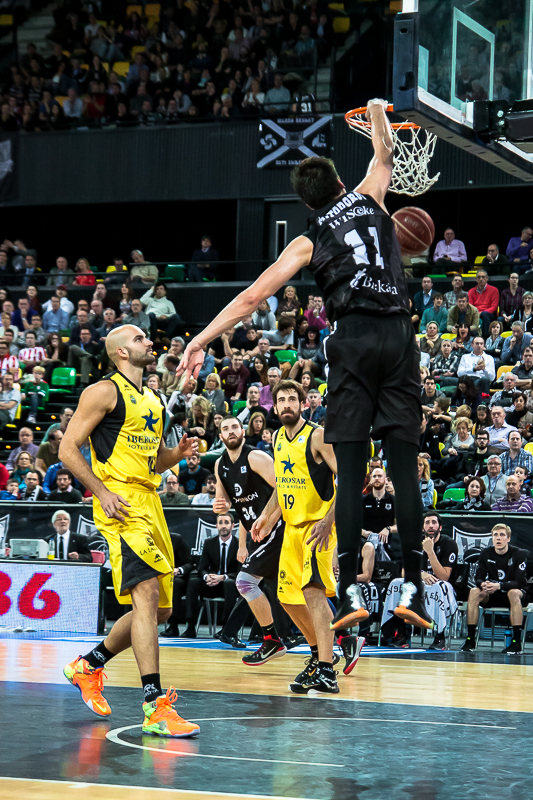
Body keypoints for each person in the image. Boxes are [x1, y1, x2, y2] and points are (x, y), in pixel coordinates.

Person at [179, 99, 433, 635]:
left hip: (353, 340)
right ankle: (413, 587)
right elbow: (384, 153)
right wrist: (379, 114)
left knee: (352, 461)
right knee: (405, 466)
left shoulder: (307, 238)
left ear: (304, 201)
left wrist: (201, 339)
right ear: (341, 181)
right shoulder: (370, 196)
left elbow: (251, 298)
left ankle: (350, 593)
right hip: (399, 334)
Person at [59, 323, 200, 737]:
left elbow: (154, 463)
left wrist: (176, 454)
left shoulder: (154, 399)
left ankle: (88, 666)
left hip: (150, 502)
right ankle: (154, 707)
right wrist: (100, 491)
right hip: (119, 502)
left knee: (158, 612)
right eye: (139, 339)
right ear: (121, 352)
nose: (148, 343)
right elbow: (68, 448)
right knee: (146, 595)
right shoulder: (103, 392)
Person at [251, 380, 342, 693]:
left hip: (318, 527)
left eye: (293, 399)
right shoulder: (276, 437)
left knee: (314, 593)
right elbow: (283, 487)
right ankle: (318, 657)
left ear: (304, 403)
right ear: (274, 407)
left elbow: (349, 480)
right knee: (288, 600)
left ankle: (328, 669)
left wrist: (330, 520)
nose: (287, 404)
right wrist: (266, 516)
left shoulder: (317, 436)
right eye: (282, 400)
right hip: (291, 529)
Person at [211, 415, 294, 662]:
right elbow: (225, 503)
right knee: (292, 593)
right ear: (221, 436)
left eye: (235, 426)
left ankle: (271, 640)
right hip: (257, 534)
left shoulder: (256, 457)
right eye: (226, 428)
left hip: (277, 528)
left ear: (243, 431)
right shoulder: (219, 465)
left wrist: (269, 518)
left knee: (245, 582)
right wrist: (219, 506)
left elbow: (286, 486)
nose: (231, 431)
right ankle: (340, 639)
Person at [381, 512, 458, 650]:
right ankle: (401, 634)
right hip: (419, 582)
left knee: (437, 587)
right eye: (427, 522)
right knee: (396, 584)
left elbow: (444, 576)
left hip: (443, 586)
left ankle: (440, 637)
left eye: (434, 522)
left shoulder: (449, 544)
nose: (431, 526)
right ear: (422, 527)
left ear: (440, 527)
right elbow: (404, 572)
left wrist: (430, 552)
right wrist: (421, 574)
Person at [461, 524, 528, 654]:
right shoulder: (486, 553)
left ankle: (516, 643)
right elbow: (478, 578)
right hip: (493, 594)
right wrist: (484, 585)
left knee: (513, 593)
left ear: (508, 538)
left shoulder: (519, 553)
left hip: (514, 595)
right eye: (495, 535)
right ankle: (470, 639)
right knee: (474, 591)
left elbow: (520, 582)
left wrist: (499, 585)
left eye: (502, 535)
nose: (498, 538)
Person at [181, 513, 241, 638]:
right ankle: (190, 627)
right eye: (220, 522)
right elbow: (201, 568)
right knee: (193, 582)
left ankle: (227, 629)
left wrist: (222, 577)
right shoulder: (209, 543)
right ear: (216, 526)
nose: (223, 526)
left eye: (226, 522)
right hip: (211, 584)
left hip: (229, 585)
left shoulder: (239, 545)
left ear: (233, 526)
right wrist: (207, 577)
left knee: (229, 584)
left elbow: (240, 572)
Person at [159, 533, 194, 638]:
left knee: (175, 584)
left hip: (176, 578)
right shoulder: (146, 539)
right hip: (155, 578)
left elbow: (190, 563)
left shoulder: (176, 539)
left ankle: (173, 626)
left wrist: (179, 570)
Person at [467, 270, 499, 337]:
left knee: (484, 315)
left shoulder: (494, 290)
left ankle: (485, 337)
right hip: (475, 313)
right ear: (476, 279)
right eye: (479, 277)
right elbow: (470, 306)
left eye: (483, 277)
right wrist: (476, 313)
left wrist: (481, 313)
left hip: (489, 315)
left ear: (487, 278)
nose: (481, 279)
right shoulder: (471, 291)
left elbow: (494, 306)